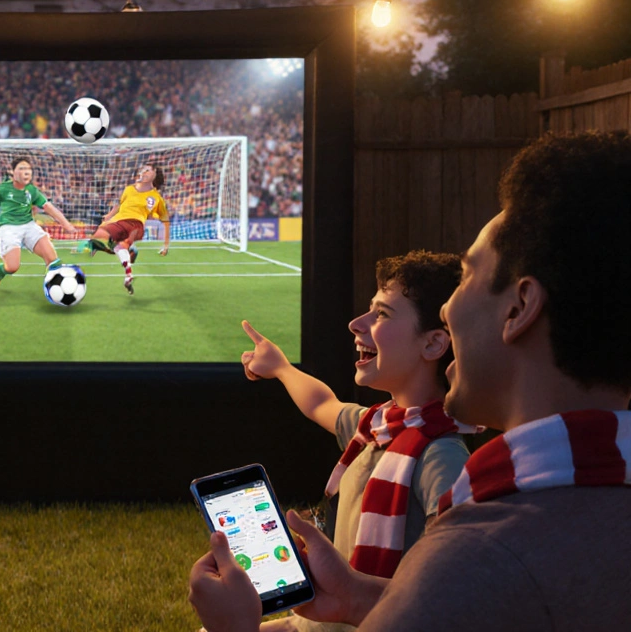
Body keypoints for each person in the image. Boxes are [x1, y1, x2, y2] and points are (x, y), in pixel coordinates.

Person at [189, 132, 631, 632]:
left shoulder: (474, 552)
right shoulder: (591, 505)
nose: (448, 307)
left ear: (520, 307)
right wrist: (357, 598)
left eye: (467, 277)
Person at [239, 251, 472, 632]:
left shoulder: (440, 455)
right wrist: (281, 367)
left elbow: (453, 587)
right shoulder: (378, 424)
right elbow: (321, 403)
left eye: (381, 314)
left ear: (433, 344)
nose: (355, 324)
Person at [0, 157, 78, 291]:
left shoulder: (32, 191)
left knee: (53, 260)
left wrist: (66, 224)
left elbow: (48, 207)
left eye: (28, 169)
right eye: (22, 168)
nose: (26, 172)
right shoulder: (4, 188)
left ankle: (55, 289)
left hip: (29, 225)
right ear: (12, 172)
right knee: (12, 267)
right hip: (9, 228)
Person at [76, 163, 170, 295]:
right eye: (144, 169)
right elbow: (119, 205)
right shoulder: (129, 189)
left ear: (154, 176)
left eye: (148, 170)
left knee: (114, 243)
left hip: (135, 224)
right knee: (109, 243)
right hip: (119, 222)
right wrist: (108, 216)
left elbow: (165, 220)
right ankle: (129, 263)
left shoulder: (156, 198)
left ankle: (127, 270)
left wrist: (166, 245)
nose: (144, 171)